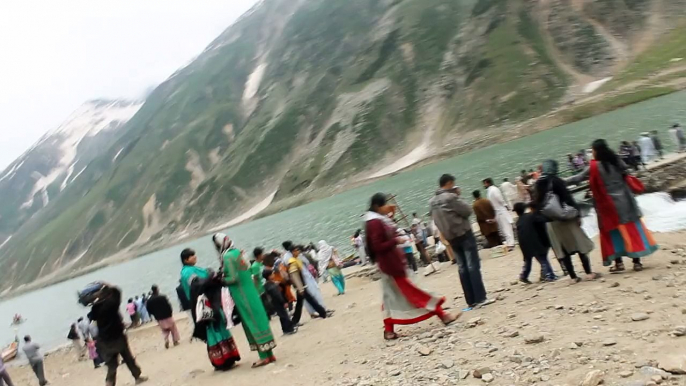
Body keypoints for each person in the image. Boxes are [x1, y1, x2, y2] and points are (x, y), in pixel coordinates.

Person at [368, 193, 460, 340]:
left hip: (389, 264)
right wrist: (396, 240)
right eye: (384, 205)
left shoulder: (377, 220)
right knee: (414, 291)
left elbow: (386, 234)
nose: (387, 207)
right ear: (378, 206)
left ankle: (389, 330)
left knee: (390, 297)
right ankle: (442, 314)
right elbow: (377, 245)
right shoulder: (374, 222)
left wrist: (391, 216)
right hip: (390, 265)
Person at [567, 139, 659, 272]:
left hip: (607, 205)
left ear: (596, 151)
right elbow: (626, 172)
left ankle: (619, 263)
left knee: (612, 232)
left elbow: (577, 178)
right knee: (630, 230)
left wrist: (557, 181)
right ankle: (637, 262)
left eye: (592, 150)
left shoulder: (594, 167)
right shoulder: (616, 160)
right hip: (626, 201)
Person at [213, 233, 277, 368]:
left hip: (241, 293)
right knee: (259, 318)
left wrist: (221, 279)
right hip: (251, 291)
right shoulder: (236, 252)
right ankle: (270, 354)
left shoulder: (227, 256)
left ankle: (263, 357)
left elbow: (233, 278)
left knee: (251, 321)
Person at [430, 174, 491, 309]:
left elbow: (436, 220)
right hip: (463, 233)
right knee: (472, 265)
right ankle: (480, 297)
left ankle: (470, 300)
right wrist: (458, 196)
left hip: (451, 237)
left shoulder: (432, 202)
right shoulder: (450, 197)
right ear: (449, 183)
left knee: (462, 267)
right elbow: (467, 211)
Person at [534, 160, 597, 283]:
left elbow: (537, 205)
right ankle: (588, 273)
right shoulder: (556, 181)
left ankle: (573, 277)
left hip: (551, 222)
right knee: (579, 244)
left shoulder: (538, 184)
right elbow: (568, 198)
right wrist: (578, 214)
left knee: (563, 250)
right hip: (566, 218)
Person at [179, 248, 241, 371]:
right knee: (213, 329)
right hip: (205, 305)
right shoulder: (187, 272)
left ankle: (226, 358)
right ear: (186, 259)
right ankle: (222, 361)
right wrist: (211, 276)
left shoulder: (193, 269)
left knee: (217, 328)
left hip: (211, 302)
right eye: (192, 256)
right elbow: (197, 285)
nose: (195, 257)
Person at [85, 283, 148, 386]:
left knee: (112, 363)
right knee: (128, 357)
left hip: (104, 339)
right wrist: (108, 286)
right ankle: (137, 376)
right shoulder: (111, 305)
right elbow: (117, 291)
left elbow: (92, 317)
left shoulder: (95, 309)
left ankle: (110, 383)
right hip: (117, 336)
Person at [287, 244, 330, 324]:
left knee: (303, 303)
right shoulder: (293, 262)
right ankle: (322, 313)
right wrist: (300, 288)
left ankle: (295, 320)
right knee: (308, 301)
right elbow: (295, 276)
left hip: (302, 286)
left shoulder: (296, 260)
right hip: (301, 287)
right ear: (293, 252)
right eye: (296, 250)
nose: (298, 252)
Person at [513, 203, 556, 283]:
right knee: (543, 259)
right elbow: (542, 220)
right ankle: (550, 275)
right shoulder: (531, 216)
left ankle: (524, 276)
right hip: (534, 241)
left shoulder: (518, 221)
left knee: (528, 261)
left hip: (524, 244)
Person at [262, 269, 297, 335]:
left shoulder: (267, 285)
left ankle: (285, 329)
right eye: (272, 274)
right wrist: (284, 302)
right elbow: (277, 295)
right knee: (285, 315)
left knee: (281, 316)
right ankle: (289, 329)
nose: (273, 275)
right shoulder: (272, 286)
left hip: (274, 303)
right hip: (278, 302)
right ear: (269, 276)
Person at [483, 178, 515, 251]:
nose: (484, 185)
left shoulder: (493, 190)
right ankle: (509, 243)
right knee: (504, 228)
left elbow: (500, 199)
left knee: (506, 227)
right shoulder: (491, 190)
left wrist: (505, 205)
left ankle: (511, 244)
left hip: (500, 211)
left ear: (488, 183)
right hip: (498, 211)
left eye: (484, 184)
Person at [146, 285, 180, 349]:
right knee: (173, 329)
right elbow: (168, 305)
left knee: (164, 330)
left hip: (159, 318)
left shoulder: (149, 300)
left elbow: (149, 309)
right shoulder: (162, 297)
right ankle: (175, 341)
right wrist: (170, 313)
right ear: (157, 289)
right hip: (167, 315)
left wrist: (154, 314)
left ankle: (166, 340)